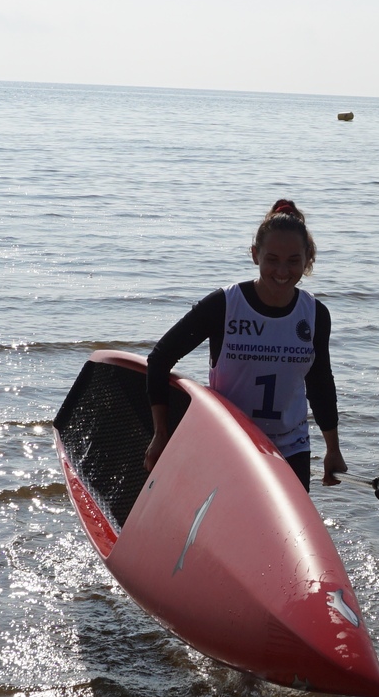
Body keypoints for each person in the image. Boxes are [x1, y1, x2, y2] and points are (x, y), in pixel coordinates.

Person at [142, 199, 347, 490]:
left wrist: (333, 449)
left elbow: (320, 384)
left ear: (308, 258)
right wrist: (160, 433)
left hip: (291, 450)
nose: (282, 271)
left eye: (293, 260)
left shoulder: (315, 314)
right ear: (255, 255)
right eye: (272, 259)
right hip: (229, 444)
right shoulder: (225, 305)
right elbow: (160, 360)